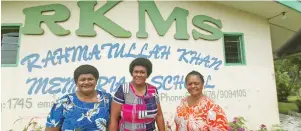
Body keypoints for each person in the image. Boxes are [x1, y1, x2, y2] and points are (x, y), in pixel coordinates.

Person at [45, 64, 112, 131]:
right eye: (82, 80)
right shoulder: (63, 102)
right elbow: (51, 128)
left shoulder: (107, 99)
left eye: (90, 79)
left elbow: (116, 122)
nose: (86, 82)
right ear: (76, 82)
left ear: (96, 80)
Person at [109, 57, 165, 131]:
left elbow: (159, 115)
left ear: (147, 74)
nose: (138, 75)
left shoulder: (153, 90)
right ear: (132, 73)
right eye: (136, 72)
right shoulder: (124, 89)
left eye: (142, 72)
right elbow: (114, 118)